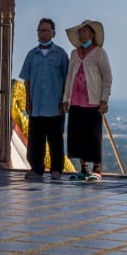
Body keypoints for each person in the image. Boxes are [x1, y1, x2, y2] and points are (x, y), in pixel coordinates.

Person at [19, 18, 69, 180]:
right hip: (36, 106)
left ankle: (56, 169)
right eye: (40, 30)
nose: (43, 33)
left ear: (53, 33)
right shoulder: (32, 54)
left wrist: (64, 100)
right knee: (35, 140)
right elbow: (27, 79)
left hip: (55, 105)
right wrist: (28, 100)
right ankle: (36, 169)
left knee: (55, 140)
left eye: (47, 30)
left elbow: (67, 79)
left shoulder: (60, 54)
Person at [62, 20, 112, 181]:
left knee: (93, 135)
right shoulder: (74, 54)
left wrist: (104, 99)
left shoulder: (99, 53)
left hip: (93, 101)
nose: (81, 34)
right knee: (77, 135)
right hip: (76, 101)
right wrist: (65, 98)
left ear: (92, 34)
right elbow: (70, 76)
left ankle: (97, 168)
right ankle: (83, 169)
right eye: (80, 32)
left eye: (84, 31)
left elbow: (107, 77)